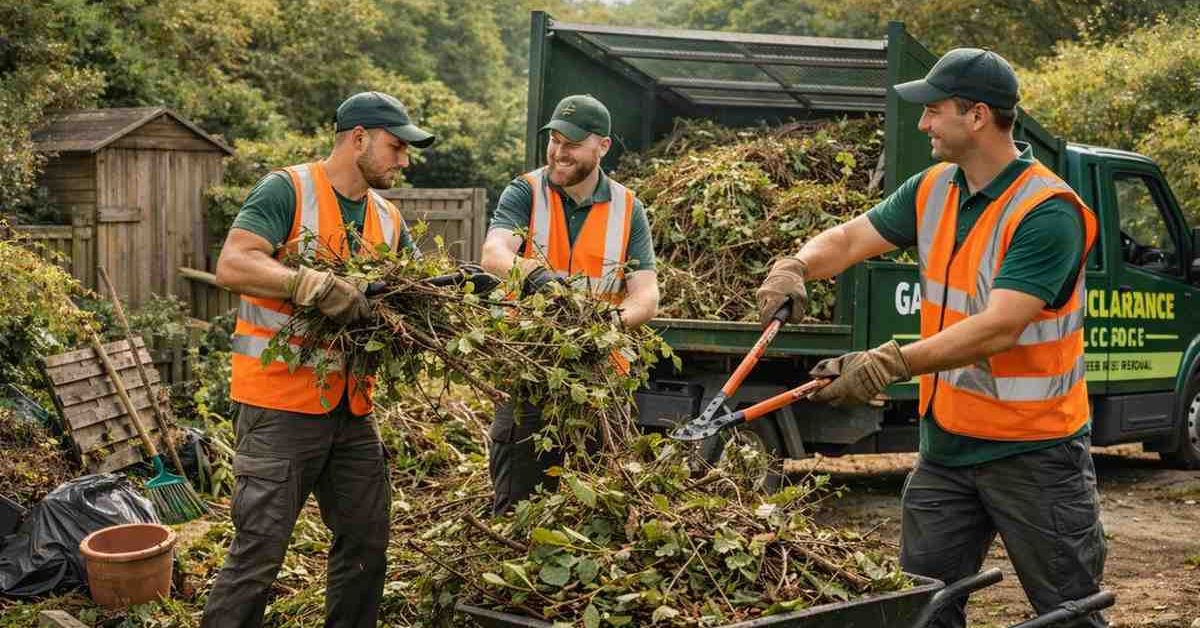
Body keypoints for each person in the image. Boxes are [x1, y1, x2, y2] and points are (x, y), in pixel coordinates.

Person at [756, 49, 1106, 628]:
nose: (922, 124)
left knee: (1067, 612)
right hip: (946, 448)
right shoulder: (934, 188)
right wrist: (796, 263)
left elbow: (999, 326)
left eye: (933, 110)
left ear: (977, 117)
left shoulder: (1049, 212)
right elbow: (848, 239)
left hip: (1036, 455)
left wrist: (888, 362)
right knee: (922, 609)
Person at [201, 91, 433, 628]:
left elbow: (411, 294)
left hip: (351, 411)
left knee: (366, 543)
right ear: (359, 139)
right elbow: (233, 265)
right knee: (259, 553)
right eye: (397, 147)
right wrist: (307, 283)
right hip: (279, 405)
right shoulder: (288, 190)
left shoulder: (387, 216)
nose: (404, 160)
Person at [480, 94, 660, 514]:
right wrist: (537, 276)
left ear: (602, 146)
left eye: (573, 143)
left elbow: (646, 295)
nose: (559, 152)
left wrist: (609, 322)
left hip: (599, 381)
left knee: (597, 514)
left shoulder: (629, 208)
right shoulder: (525, 192)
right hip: (529, 373)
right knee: (516, 509)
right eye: (555, 140)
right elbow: (493, 254)